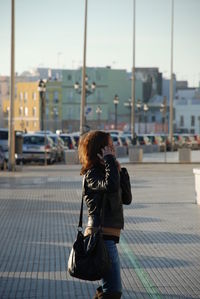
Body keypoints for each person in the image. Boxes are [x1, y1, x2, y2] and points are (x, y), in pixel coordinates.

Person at [78, 130, 132, 299]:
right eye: (109, 146)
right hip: (101, 237)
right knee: (112, 291)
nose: (113, 148)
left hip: (109, 238)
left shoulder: (109, 171)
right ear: (100, 149)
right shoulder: (92, 174)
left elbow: (127, 198)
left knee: (109, 290)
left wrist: (120, 171)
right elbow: (109, 186)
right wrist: (110, 162)